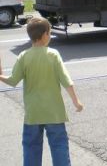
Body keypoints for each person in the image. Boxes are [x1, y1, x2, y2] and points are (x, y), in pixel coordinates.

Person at [0, 17, 83, 165]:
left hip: (33, 113)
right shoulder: (53, 54)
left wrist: (0, 76)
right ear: (45, 34)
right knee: (59, 147)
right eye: (50, 33)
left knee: (31, 148)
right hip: (54, 113)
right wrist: (76, 102)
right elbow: (66, 81)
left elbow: (12, 81)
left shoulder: (24, 56)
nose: (50, 36)